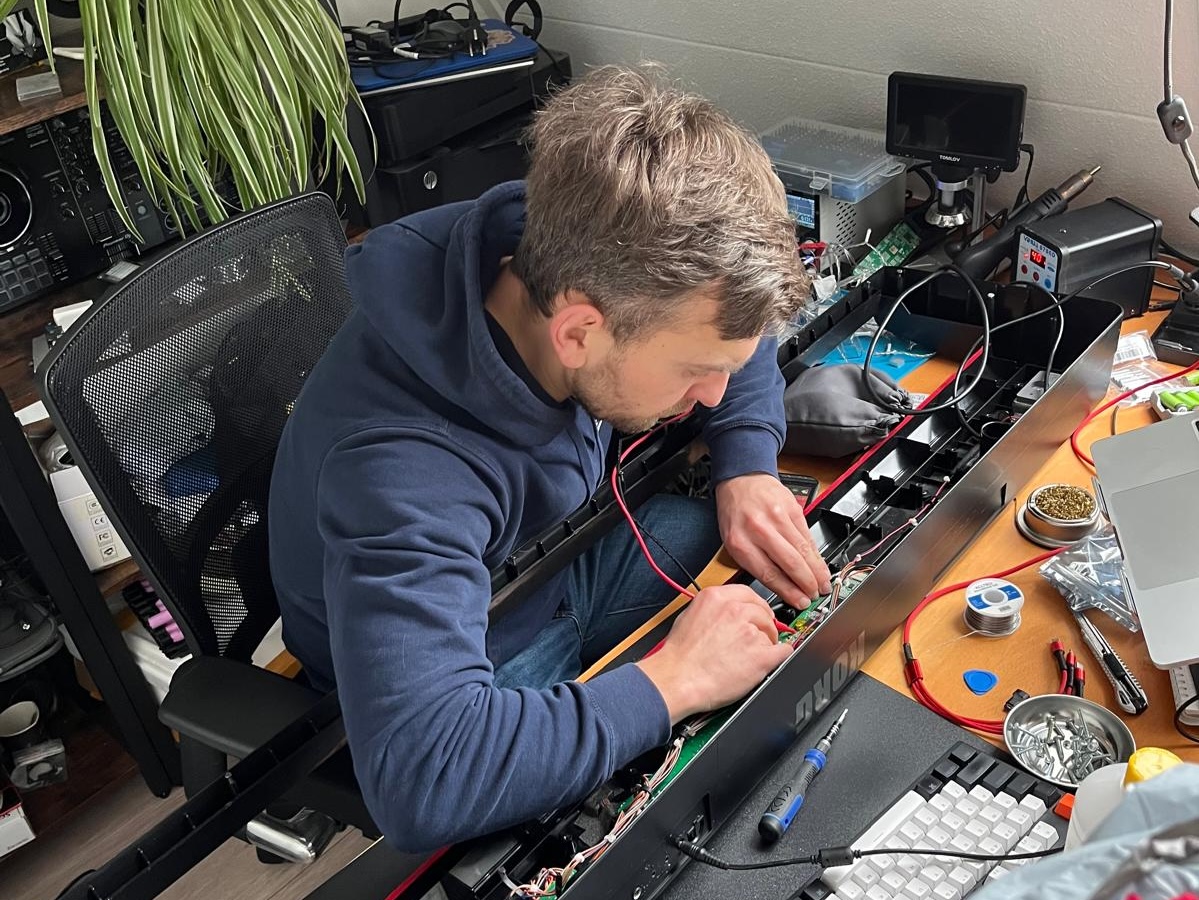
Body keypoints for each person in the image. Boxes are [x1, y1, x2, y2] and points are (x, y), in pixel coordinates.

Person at [268, 64, 832, 852]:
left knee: (771, 543)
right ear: (578, 333)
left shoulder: (566, 238)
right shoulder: (402, 470)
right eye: (692, 370)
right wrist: (676, 680)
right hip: (477, 656)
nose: (711, 396)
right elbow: (428, 776)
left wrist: (746, 463)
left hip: (553, 565)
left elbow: (736, 329)